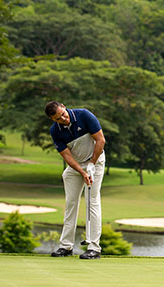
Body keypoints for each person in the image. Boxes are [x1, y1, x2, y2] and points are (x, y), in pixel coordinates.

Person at [45, 101, 106, 260]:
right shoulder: (55, 131)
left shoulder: (84, 115)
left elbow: (100, 140)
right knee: (71, 203)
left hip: (95, 161)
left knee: (92, 201)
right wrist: (82, 171)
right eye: (58, 119)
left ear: (64, 107)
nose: (63, 119)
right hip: (76, 166)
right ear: (53, 120)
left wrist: (92, 164)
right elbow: (67, 156)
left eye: (63, 114)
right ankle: (66, 246)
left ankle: (94, 247)